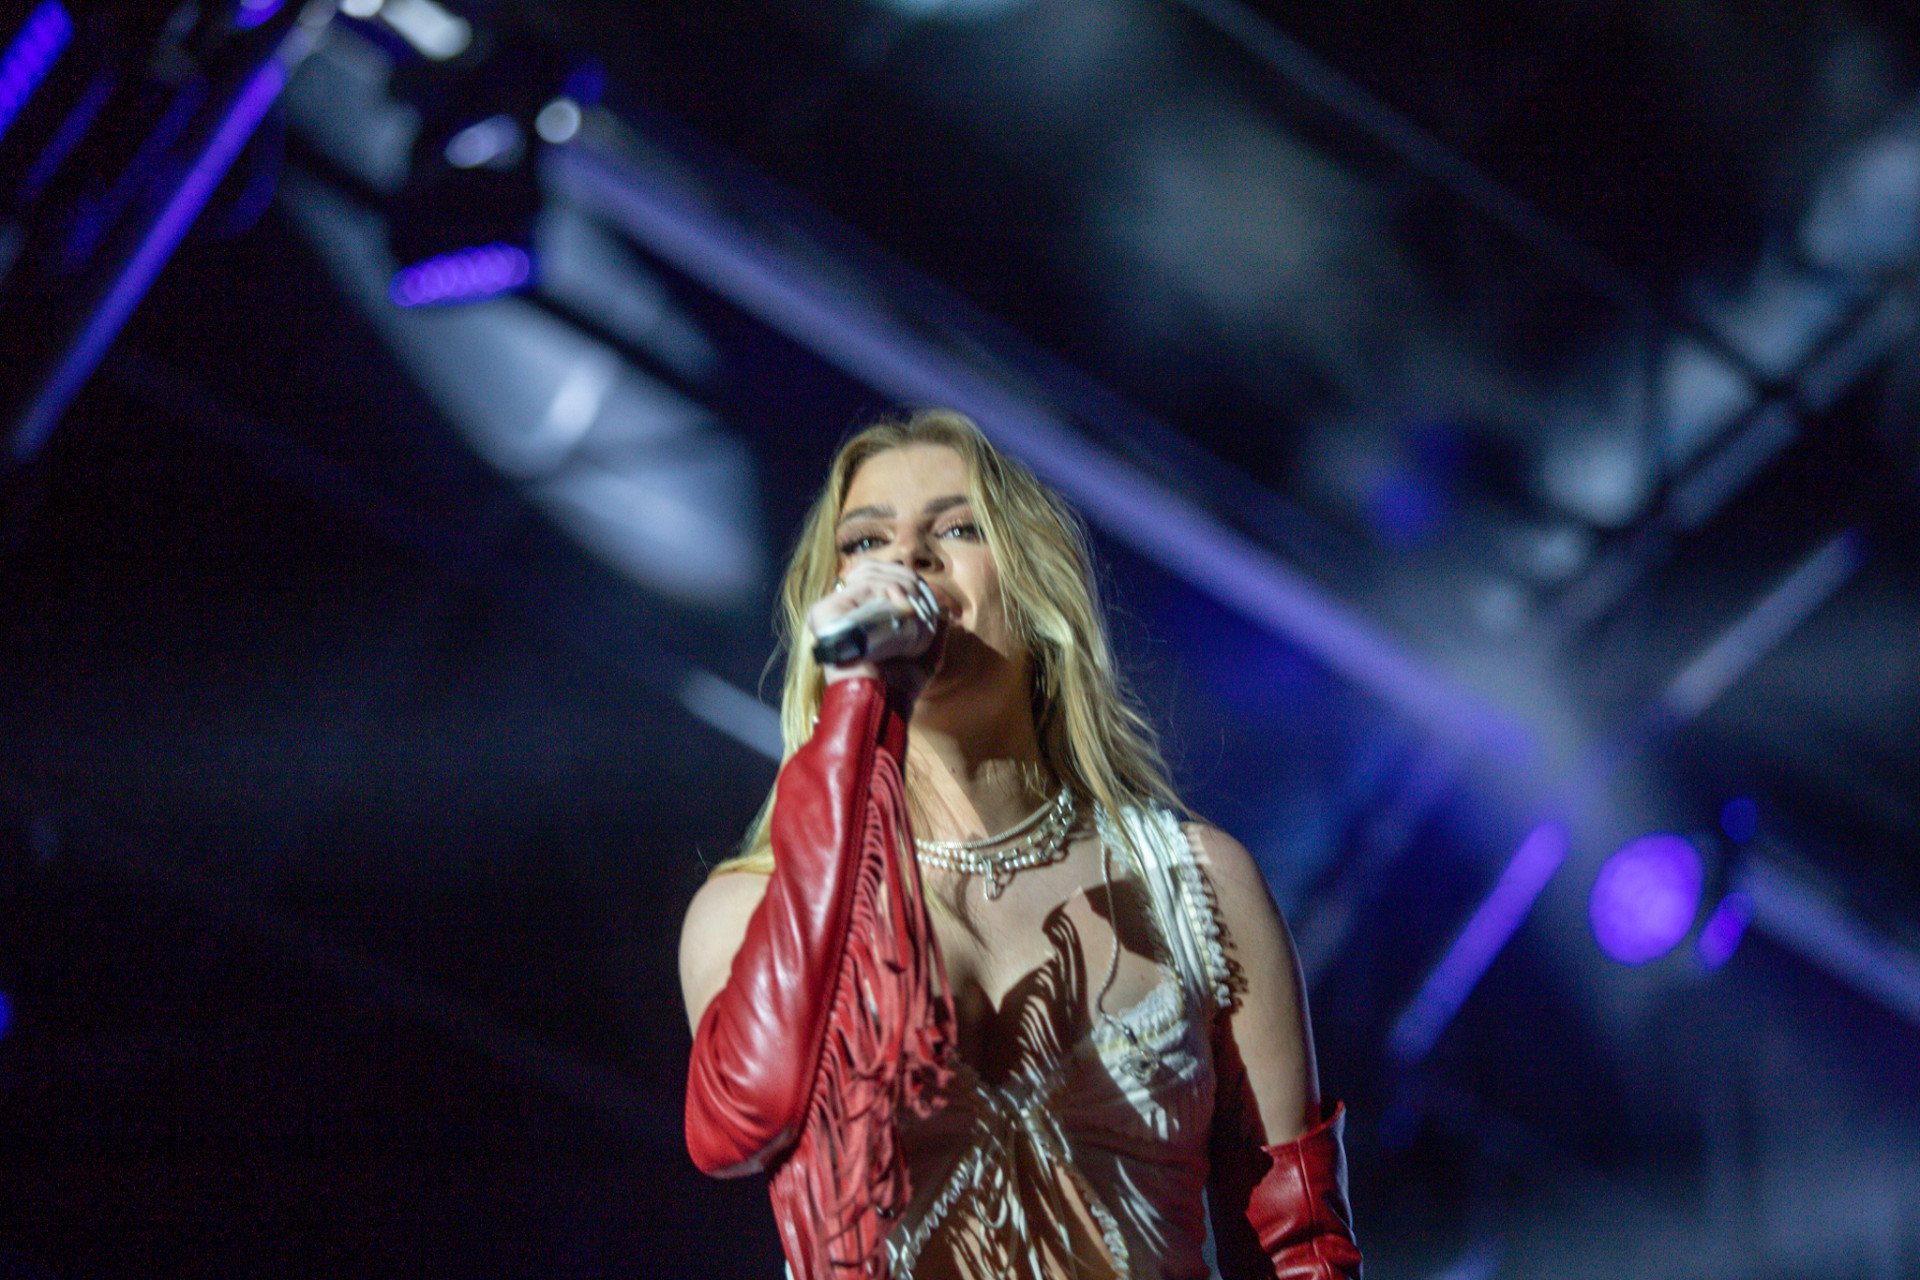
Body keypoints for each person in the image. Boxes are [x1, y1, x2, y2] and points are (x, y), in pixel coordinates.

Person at [679, 409, 1361, 1280]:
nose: (907, 559)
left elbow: (1296, 1245)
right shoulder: (747, 913)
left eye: (958, 528)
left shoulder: (1199, 883)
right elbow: (746, 1117)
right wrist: (862, 702)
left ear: (1039, 592)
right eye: (865, 543)